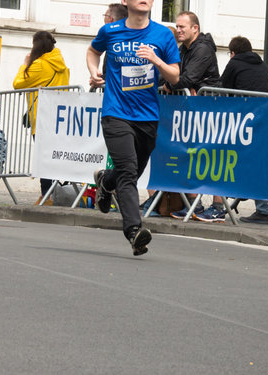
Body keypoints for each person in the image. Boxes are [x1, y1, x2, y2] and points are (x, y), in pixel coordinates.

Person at [87, 0, 181, 256]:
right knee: (128, 172)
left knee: (132, 171)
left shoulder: (163, 34)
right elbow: (93, 51)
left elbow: (175, 76)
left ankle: (106, 181)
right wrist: (95, 71)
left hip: (148, 117)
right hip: (116, 113)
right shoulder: (111, 30)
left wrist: (156, 61)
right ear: (125, 1)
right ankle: (134, 231)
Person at [164, 11, 225, 223]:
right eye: (177, 27)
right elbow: (176, 73)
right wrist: (177, 82)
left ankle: (218, 207)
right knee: (190, 154)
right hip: (193, 108)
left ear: (195, 29)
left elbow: (186, 77)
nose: (178, 30)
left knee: (214, 157)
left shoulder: (203, 49)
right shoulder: (184, 49)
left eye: (182, 27)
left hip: (210, 107)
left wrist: (170, 84)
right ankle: (194, 204)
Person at [220, 36, 268, 224]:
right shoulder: (262, 65)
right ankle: (245, 197)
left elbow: (221, 91)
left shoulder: (234, 63)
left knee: (235, 158)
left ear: (233, 53)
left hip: (246, 120)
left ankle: (257, 209)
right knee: (257, 160)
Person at [12, 31, 70, 205]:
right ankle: (51, 194)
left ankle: (47, 196)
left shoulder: (39, 65)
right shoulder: (61, 64)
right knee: (53, 158)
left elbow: (18, 83)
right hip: (59, 118)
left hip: (42, 118)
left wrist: (25, 64)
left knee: (43, 159)